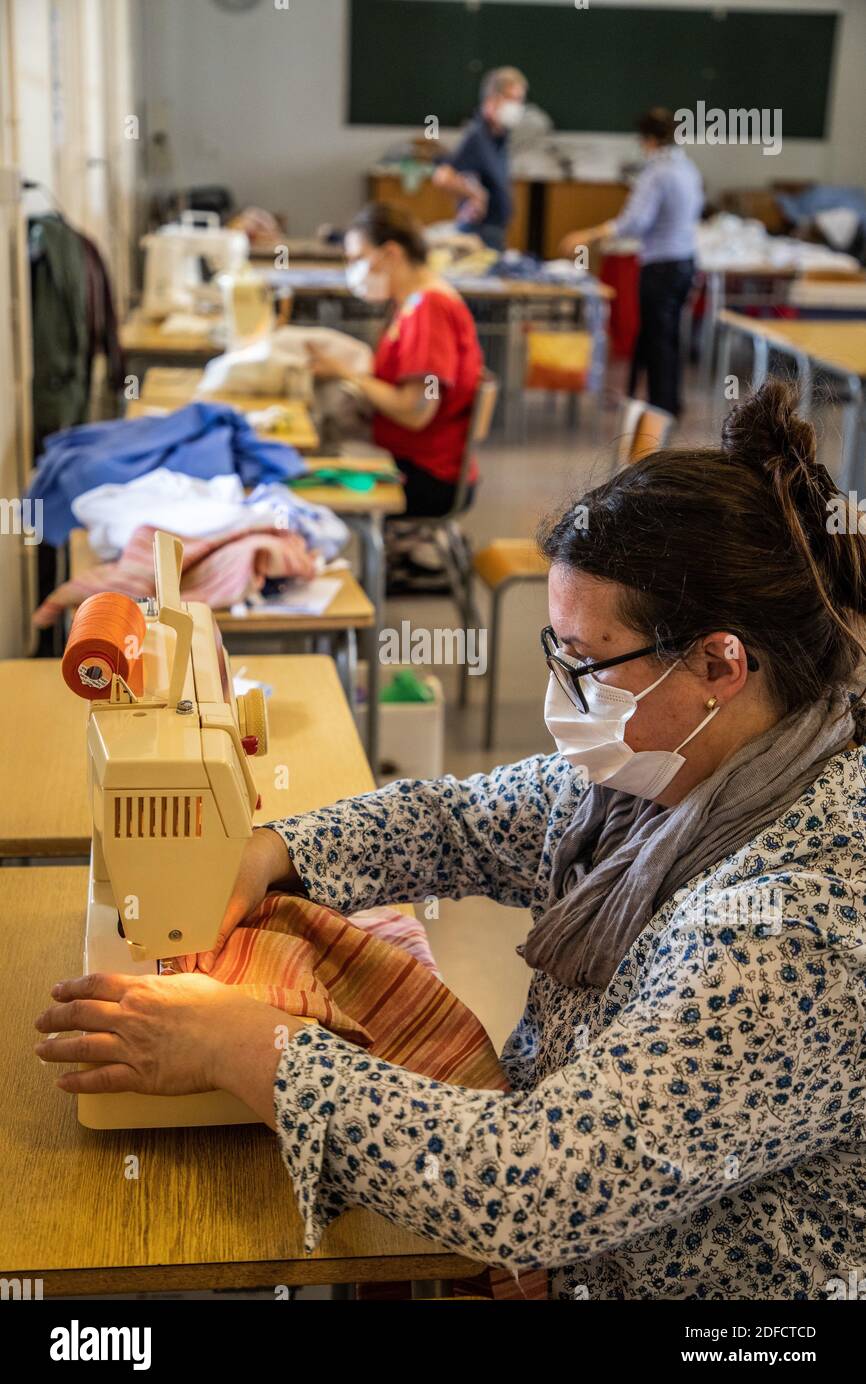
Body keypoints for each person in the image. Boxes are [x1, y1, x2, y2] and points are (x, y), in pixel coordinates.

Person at [36, 381, 866, 1300]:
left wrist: (245, 1046)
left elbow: (542, 1182)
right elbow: (457, 821)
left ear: (719, 662)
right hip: (581, 1233)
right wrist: (269, 852)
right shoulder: (665, 776)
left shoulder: (803, 922)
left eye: (586, 663)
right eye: (554, 654)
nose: (564, 697)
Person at [308, 201, 483, 583]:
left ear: (390, 253)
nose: (353, 270)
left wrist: (347, 375)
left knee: (305, 481)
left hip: (428, 475)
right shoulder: (410, 304)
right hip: (421, 459)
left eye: (359, 258)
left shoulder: (428, 309)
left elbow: (415, 411)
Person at [561, 107, 703, 418]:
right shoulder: (687, 168)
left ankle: (661, 411)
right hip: (685, 261)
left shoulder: (657, 172)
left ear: (649, 140)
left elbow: (636, 221)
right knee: (663, 335)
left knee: (658, 338)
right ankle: (652, 400)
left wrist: (589, 234)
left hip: (661, 265)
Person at [433, 67, 528, 252]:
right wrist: (474, 194)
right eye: (512, 99)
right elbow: (443, 176)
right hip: (478, 232)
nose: (516, 106)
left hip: (494, 232)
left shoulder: (500, 136)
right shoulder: (477, 137)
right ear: (492, 99)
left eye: (520, 100)